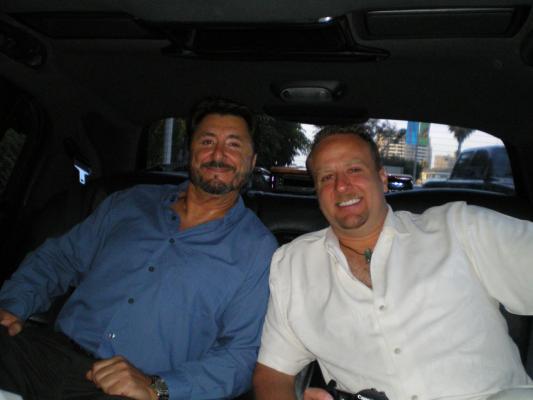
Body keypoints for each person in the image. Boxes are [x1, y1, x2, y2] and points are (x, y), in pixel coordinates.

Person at [0, 97, 278, 400]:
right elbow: (60, 259)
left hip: (132, 391)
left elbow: (240, 356)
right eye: (207, 141)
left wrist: (157, 386)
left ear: (252, 161)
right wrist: (13, 304)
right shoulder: (131, 202)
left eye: (234, 144)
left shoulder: (258, 250)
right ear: (190, 152)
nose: (218, 154)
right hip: (45, 355)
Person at [253, 125, 533, 400]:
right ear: (317, 191)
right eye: (326, 177)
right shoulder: (292, 265)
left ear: (382, 178)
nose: (341, 185)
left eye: (354, 170)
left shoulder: (460, 228)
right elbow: (272, 373)